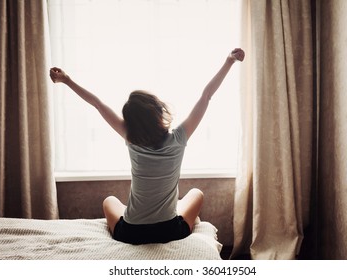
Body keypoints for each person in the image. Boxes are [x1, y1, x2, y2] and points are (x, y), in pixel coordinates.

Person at [49, 48, 245, 245]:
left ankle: (167, 211)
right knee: (196, 194)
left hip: (130, 233)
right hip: (170, 231)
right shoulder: (179, 138)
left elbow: (98, 104)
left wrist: (67, 80)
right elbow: (206, 96)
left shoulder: (131, 138)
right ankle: (177, 213)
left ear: (131, 123)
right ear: (159, 112)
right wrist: (229, 62)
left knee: (110, 200)